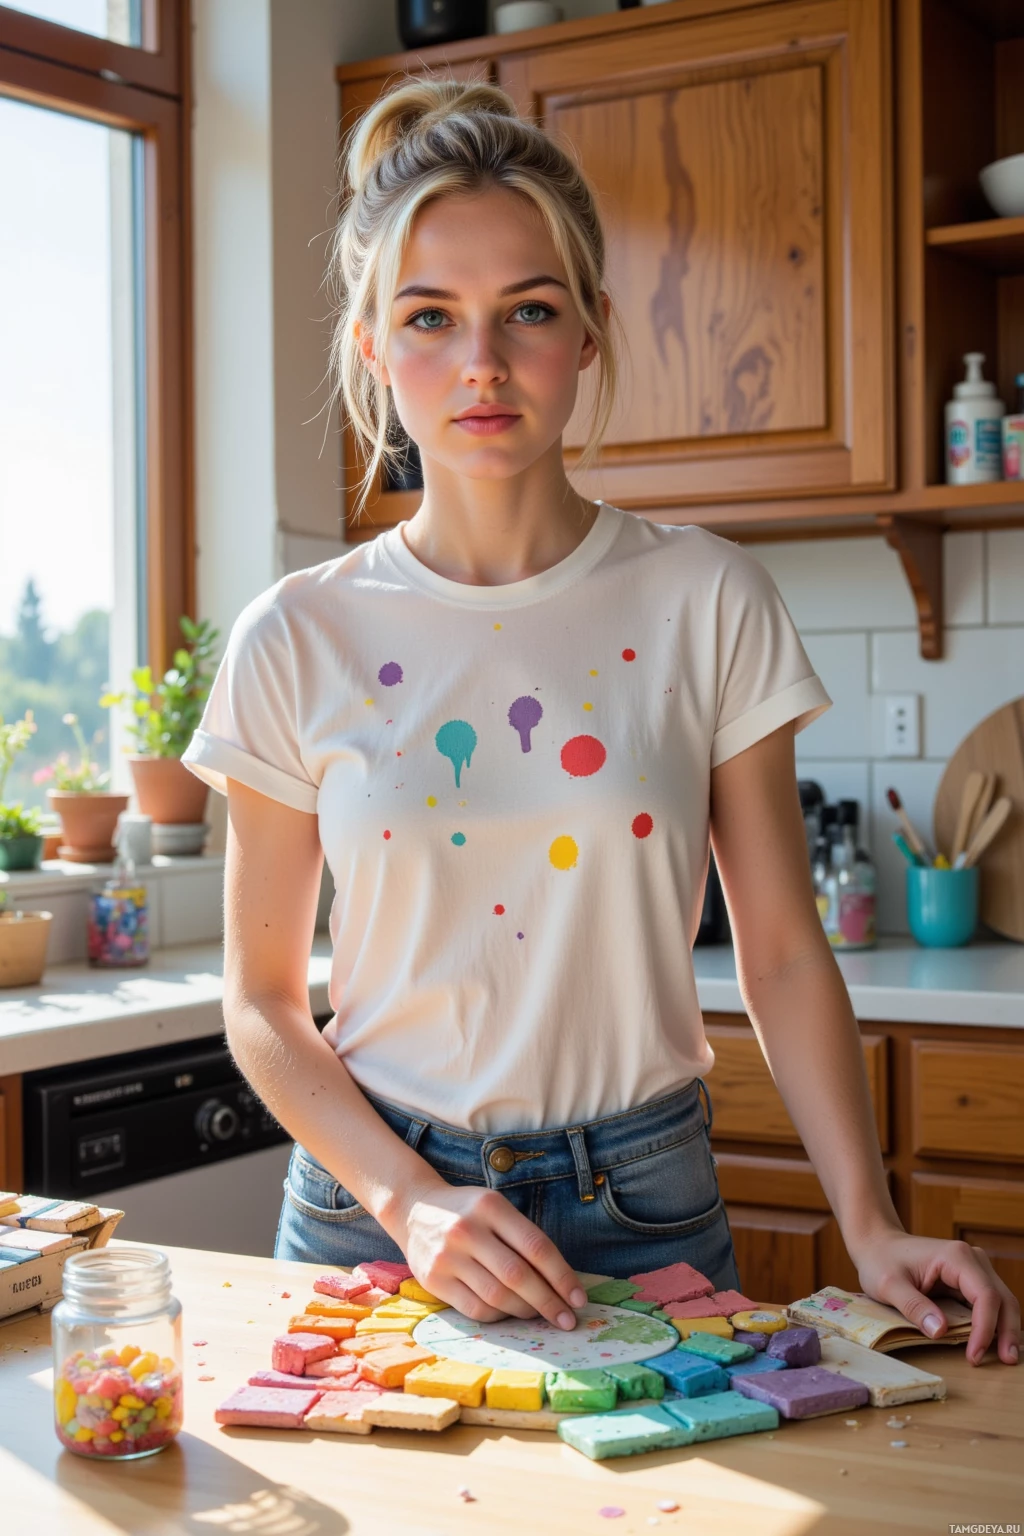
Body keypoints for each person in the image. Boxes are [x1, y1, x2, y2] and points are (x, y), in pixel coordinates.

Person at [181, 77, 1019, 1366]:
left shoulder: (707, 596)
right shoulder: (297, 635)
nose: (482, 363)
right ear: (371, 349)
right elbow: (264, 1002)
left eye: (528, 309)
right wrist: (408, 1199)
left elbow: (786, 952)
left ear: (589, 333)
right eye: (428, 318)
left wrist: (871, 1220)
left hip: (645, 1200)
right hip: (376, 1204)